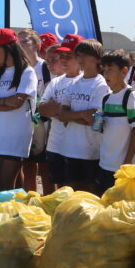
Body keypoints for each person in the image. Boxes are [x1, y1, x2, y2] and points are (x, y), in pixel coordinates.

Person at [0, 28, 38, 190]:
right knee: (1, 184)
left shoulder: (27, 72)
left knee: (5, 185)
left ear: (8, 49)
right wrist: (5, 102)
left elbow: (18, 102)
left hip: (16, 135)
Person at [58, 39, 111, 192]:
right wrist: (81, 114)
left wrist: (72, 116)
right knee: (71, 194)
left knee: (91, 195)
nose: (79, 59)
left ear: (97, 58)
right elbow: (61, 115)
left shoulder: (101, 85)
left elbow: (95, 120)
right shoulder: (73, 84)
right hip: (70, 149)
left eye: (84, 56)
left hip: (92, 152)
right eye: (78, 55)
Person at [38, 34, 82, 190]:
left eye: (68, 56)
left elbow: (90, 114)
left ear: (80, 57)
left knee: (77, 190)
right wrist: (66, 112)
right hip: (56, 144)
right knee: (59, 189)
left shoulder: (89, 81)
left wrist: (57, 110)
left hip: (80, 148)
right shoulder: (56, 82)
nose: (63, 59)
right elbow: (42, 108)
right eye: (61, 55)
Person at [96, 49, 135, 192]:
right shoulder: (106, 98)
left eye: (110, 70)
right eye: (104, 70)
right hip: (104, 163)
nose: (106, 74)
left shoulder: (131, 96)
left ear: (124, 71)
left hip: (122, 167)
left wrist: (127, 163)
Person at [19, 28, 48, 193]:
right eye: (18, 42)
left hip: (41, 121)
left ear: (37, 45)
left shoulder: (44, 67)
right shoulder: (20, 68)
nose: (20, 45)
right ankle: (28, 198)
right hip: (24, 121)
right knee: (26, 165)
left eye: (24, 41)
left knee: (44, 167)